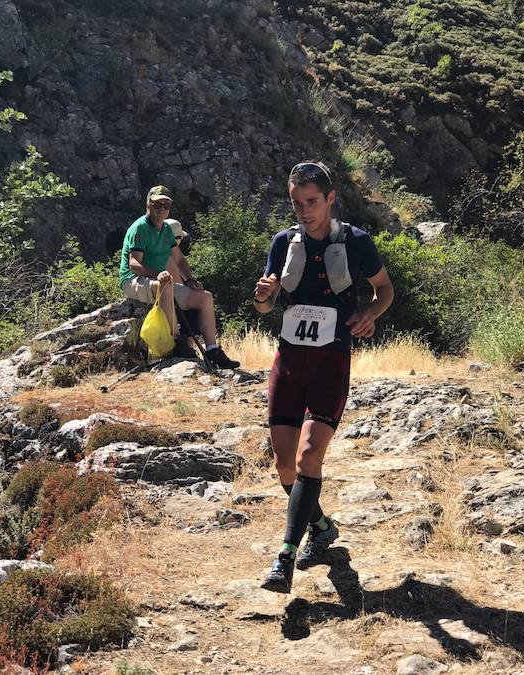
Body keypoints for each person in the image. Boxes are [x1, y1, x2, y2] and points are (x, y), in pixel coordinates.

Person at [252, 160, 394, 593]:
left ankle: (285, 556)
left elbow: (384, 290)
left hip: (331, 361)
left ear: (331, 199)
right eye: (297, 203)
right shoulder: (282, 243)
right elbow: (263, 305)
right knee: (283, 463)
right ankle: (322, 525)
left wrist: (370, 313)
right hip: (290, 361)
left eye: (312, 201)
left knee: (308, 457)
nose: (304, 210)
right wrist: (261, 298)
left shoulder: (356, 242)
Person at [119, 186, 239, 368]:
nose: (162, 208)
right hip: (133, 280)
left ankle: (213, 349)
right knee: (165, 286)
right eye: (157, 204)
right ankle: (177, 343)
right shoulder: (140, 228)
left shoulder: (166, 229)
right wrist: (157, 274)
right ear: (148, 204)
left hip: (161, 280)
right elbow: (134, 264)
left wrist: (190, 280)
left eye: (166, 205)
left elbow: (180, 259)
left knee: (205, 298)